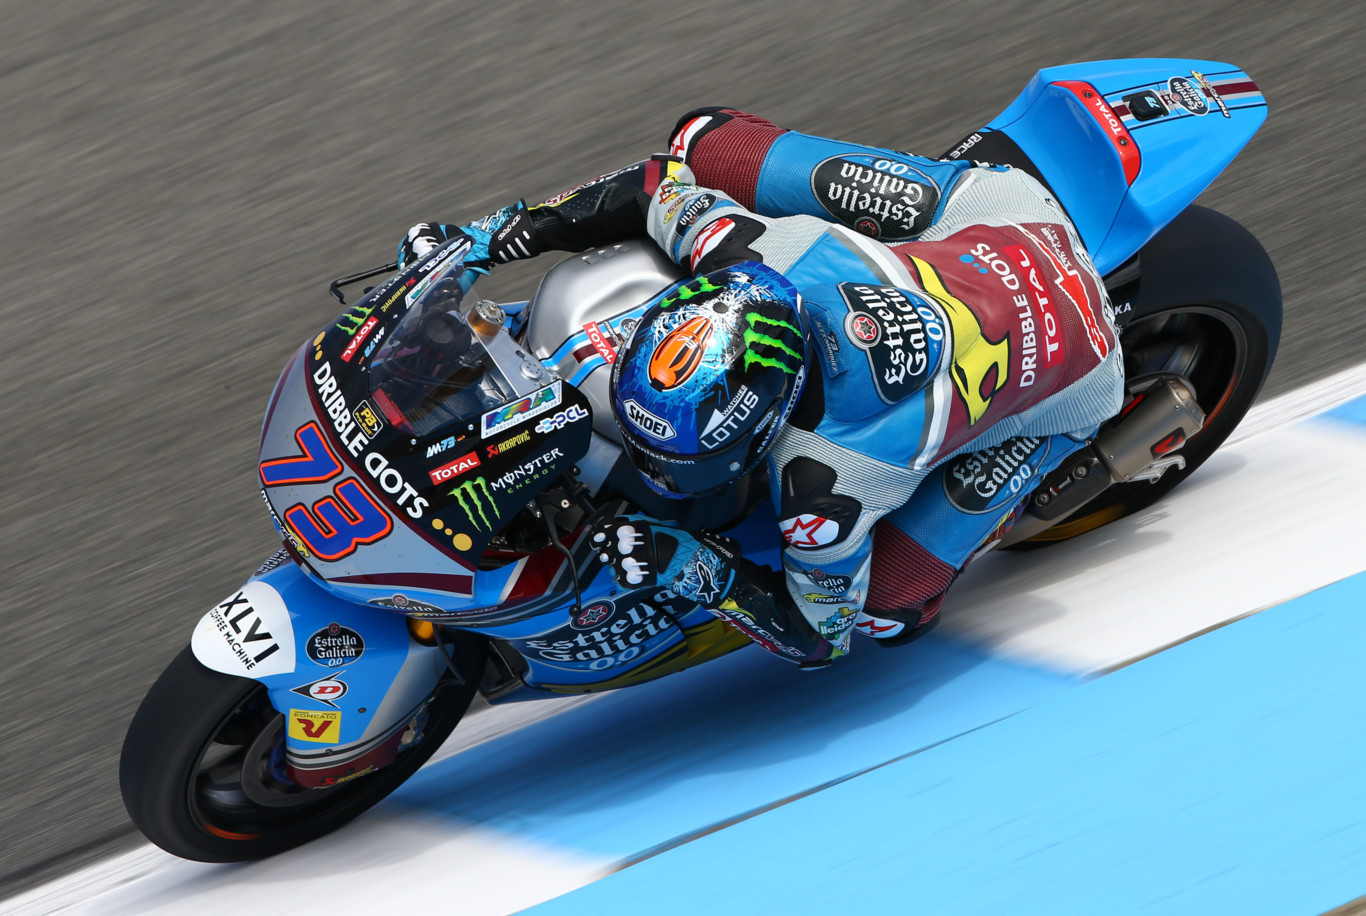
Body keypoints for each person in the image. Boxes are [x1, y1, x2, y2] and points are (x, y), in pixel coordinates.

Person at [396, 108, 1123, 668]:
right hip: (1003, 212)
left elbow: (819, 636)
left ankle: (1060, 461)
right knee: (701, 139)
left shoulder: (828, 486)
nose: (658, 472)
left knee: (888, 613)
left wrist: (687, 563)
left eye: (681, 461)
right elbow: (653, 185)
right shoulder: (764, 251)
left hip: (1082, 367)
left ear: (767, 428)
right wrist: (492, 239)